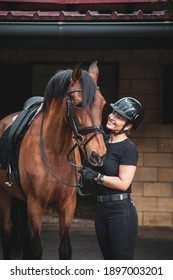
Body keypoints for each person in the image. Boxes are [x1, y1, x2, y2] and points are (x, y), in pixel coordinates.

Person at [78, 97, 144, 260]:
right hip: (101, 209)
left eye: (119, 117)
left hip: (120, 211)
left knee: (121, 262)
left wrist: (96, 176)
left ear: (128, 126)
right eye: (113, 112)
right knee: (108, 262)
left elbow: (123, 183)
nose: (112, 117)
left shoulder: (128, 149)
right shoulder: (102, 141)